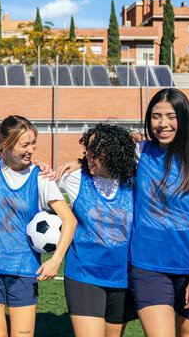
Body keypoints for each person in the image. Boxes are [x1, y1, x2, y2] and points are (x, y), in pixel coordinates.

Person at [0, 115, 77, 336]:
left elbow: (70, 220)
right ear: (6, 144)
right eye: (24, 144)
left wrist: (56, 261)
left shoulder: (41, 177)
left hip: (24, 268)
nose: (31, 150)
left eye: (33, 143)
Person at [129, 88, 189, 337]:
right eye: (156, 116)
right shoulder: (140, 152)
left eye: (171, 116)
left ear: (184, 117)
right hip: (148, 266)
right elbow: (106, 152)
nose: (163, 124)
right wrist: (80, 162)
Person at [56, 124, 137, 337]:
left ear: (113, 153)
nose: (87, 156)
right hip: (84, 275)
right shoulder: (74, 178)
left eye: (95, 151)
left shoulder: (133, 181)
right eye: (87, 150)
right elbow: (37, 178)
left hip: (123, 277)